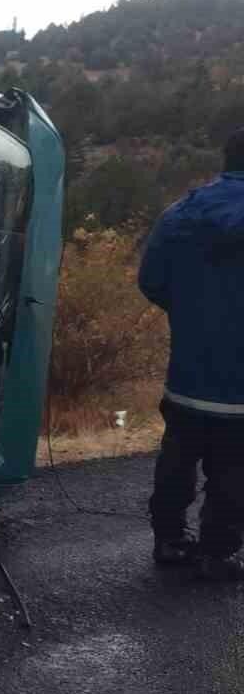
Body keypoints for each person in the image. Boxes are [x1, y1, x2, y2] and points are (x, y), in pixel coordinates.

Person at [138, 127, 244, 580]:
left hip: (188, 374)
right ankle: (219, 552)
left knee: (178, 456)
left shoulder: (180, 213)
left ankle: (169, 541)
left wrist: (193, 314)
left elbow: (151, 279)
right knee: (236, 469)